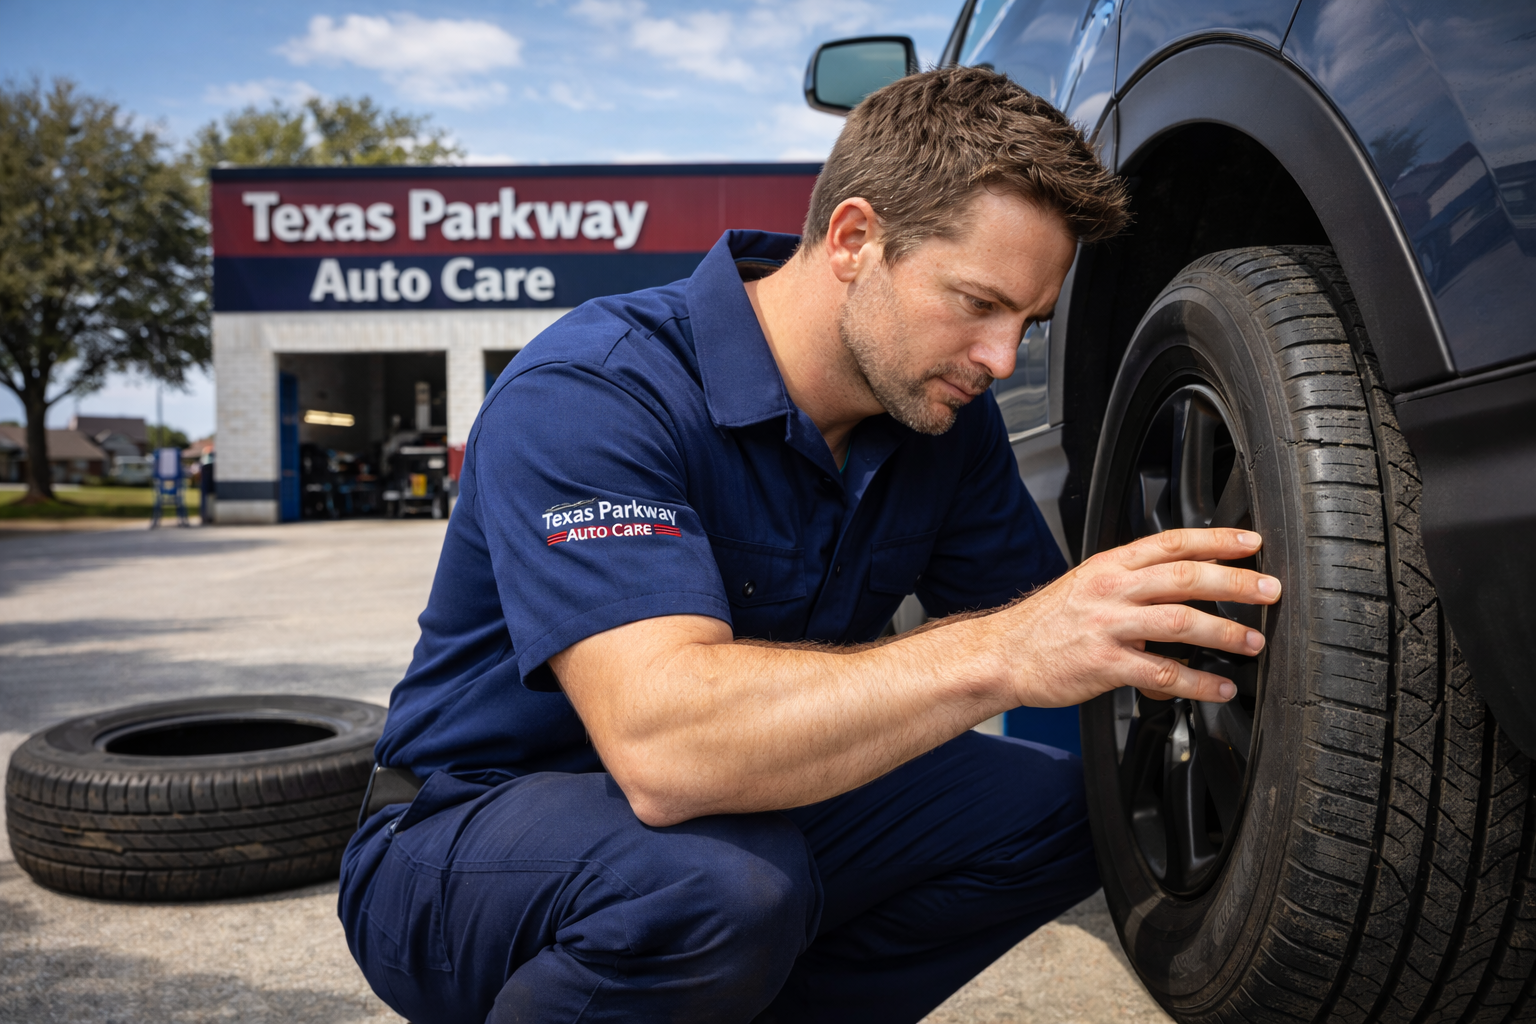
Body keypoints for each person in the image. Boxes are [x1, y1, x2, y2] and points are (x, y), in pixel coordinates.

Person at [338, 66, 1280, 1024]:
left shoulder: (941, 421)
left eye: (1026, 325)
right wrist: (1005, 650)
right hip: (464, 838)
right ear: (854, 239)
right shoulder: (595, 390)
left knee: (1073, 814)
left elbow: (1053, 628)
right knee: (714, 890)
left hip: (732, 818)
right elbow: (668, 750)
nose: (1000, 360)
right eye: (976, 304)